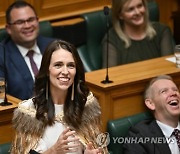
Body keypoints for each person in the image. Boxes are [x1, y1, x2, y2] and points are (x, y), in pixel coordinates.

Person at [10, 40, 108, 154]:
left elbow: (98, 146)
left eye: (71, 66)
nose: (65, 71)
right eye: (58, 65)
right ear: (47, 70)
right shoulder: (29, 112)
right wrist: (54, 151)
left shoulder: (85, 105)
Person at [0, 1, 53, 100]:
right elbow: (1, 97)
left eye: (31, 19)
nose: (27, 25)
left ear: (37, 21)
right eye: (20, 22)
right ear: (8, 28)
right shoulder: (1, 56)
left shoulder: (55, 46)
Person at [102, 0, 174, 67]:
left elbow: (169, 68)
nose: (137, 12)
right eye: (130, 9)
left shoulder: (162, 31)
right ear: (120, 15)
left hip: (162, 80)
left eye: (140, 6)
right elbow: (110, 76)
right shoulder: (111, 39)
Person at [123, 75, 180, 154]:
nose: (173, 93)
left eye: (175, 90)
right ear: (151, 104)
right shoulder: (138, 137)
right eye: (164, 91)